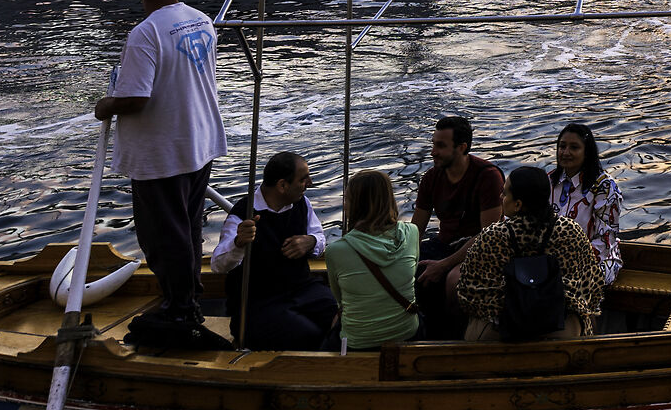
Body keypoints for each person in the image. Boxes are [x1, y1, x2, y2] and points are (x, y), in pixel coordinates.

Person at [93, 0, 229, 351]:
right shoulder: (202, 21)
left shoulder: (145, 33)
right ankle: (187, 299)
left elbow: (135, 97)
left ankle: (180, 311)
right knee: (186, 228)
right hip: (198, 141)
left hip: (163, 152)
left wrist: (105, 104)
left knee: (162, 235)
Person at [451, 166, 603, 342]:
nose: (501, 198)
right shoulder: (571, 231)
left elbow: (468, 294)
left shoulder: (493, 237)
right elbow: (593, 285)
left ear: (518, 204)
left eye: (505, 193)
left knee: (474, 325)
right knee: (585, 314)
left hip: (503, 334)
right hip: (561, 331)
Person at [213, 150, 337, 350]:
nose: (310, 183)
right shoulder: (242, 215)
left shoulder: (301, 203)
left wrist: (311, 241)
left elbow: (320, 236)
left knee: (343, 319)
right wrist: (238, 243)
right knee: (308, 336)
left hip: (303, 289)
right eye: (303, 179)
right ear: (282, 185)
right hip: (260, 302)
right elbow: (218, 265)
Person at [411, 115, 504, 308]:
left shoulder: (488, 177)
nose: (433, 152)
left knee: (453, 281)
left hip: (480, 250)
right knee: (404, 272)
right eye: (433, 144)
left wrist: (443, 265)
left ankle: (456, 335)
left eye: (440, 146)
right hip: (444, 244)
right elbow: (416, 230)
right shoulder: (431, 177)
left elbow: (488, 236)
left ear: (461, 148)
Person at [323, 169, 420, 351]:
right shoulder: (412, 233)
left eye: (347, 199)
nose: (345, 205)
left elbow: (340, 300)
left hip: (359, 343)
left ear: (356, 205)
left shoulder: (336, 251)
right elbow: (410, 274)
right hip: (407, 332)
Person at [548, 122, 623, 286]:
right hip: (553, 259)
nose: (565, 152)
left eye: (574, 147)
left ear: (587, 152)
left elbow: (605, 239)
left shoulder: (605, 187)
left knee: (568, 285)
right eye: (562, 146)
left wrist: (569, 262)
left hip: (596, 259)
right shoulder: (548, 181)